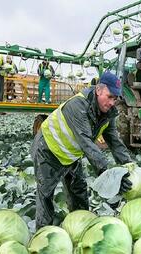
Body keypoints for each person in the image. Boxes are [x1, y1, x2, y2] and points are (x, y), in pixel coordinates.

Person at [31, 71, 133, 229]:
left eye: (115, 98)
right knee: (46, 195)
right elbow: (86, 142)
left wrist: (128, 166)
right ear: (98, 90)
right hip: (48, 150)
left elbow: (114, 141)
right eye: (110, 96)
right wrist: (109, 177)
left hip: (70, 155)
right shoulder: (78, 105)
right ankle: (43, 237)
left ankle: (80, 229)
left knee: (79, 192)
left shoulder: (108, 113)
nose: (112, 102)